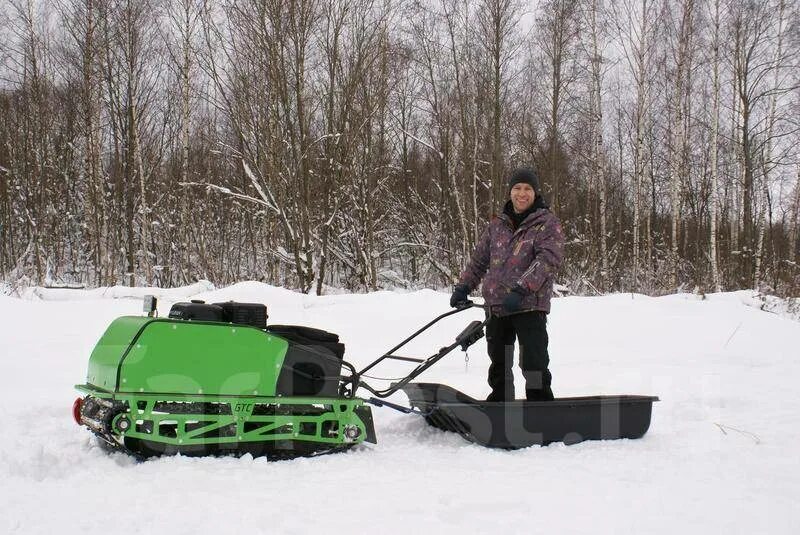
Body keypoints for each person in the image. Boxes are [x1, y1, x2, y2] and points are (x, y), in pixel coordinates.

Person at [450, 167, 564, 402]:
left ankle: (540, 405)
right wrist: (463, 287)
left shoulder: (546, 223)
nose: (522, 194)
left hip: (529, 305)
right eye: (517, 188)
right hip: (497, 306)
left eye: (527, 189)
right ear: (510, 191)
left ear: (535, 193)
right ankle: (501, 402)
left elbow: (548, 259)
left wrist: (522, 288)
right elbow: (480, 260)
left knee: (533, 362)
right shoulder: (497, 224)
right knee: (499, 360)